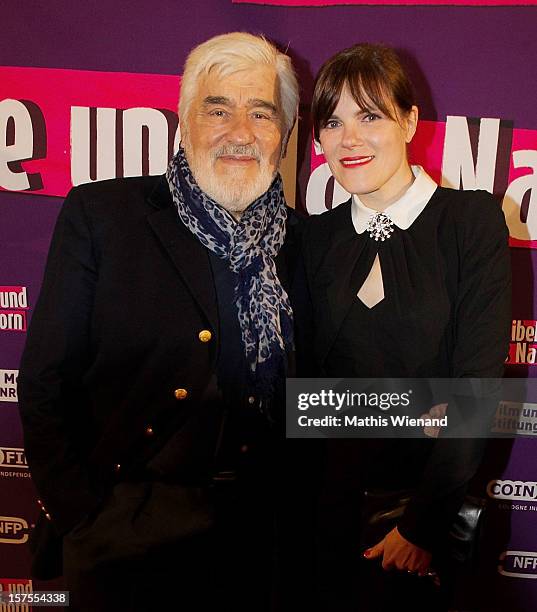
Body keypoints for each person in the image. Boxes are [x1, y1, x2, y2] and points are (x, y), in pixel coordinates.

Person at [17, 32, 300, 611]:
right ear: (182, 123)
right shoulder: (103, 216)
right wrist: (79, 512)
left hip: (260, 543)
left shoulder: (302, 242)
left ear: (285, 134)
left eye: (261, 113)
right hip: (123, 535)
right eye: (217, 109)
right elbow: (45, 378)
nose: (240, 132)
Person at [299, 43, 511, 611]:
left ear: (410, 120)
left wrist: (420, 527)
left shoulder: (470, 223)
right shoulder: (312, 239)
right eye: (333, 121)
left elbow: (475, 389)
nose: (349, 139)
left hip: (422, 525)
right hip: (324, 518)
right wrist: (417, 409)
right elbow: (303, 396)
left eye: (369, 115)